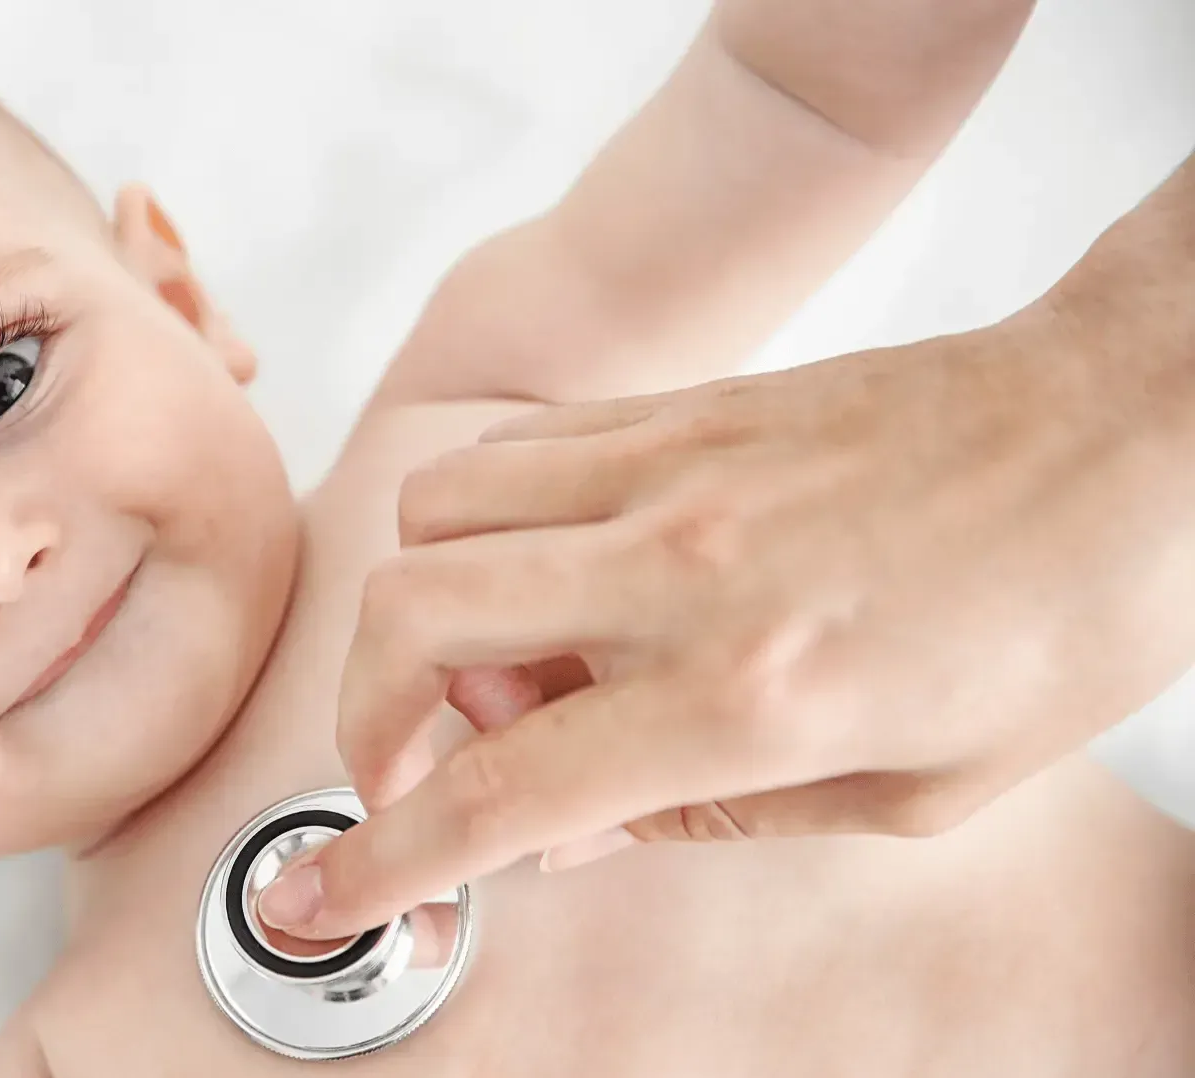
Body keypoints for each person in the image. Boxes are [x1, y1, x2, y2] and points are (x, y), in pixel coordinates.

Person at [0, 3, 1195, 1078]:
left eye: (2, 380)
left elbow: (803, 99)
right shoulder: (64, 1055)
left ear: (182, 300)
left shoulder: (487, 411)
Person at [263, 141, 1195, 948]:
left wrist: (1117, 369)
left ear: (176, 294)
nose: (103, 544)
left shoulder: (469, 400)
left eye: (102, 352)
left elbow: (802, 102)